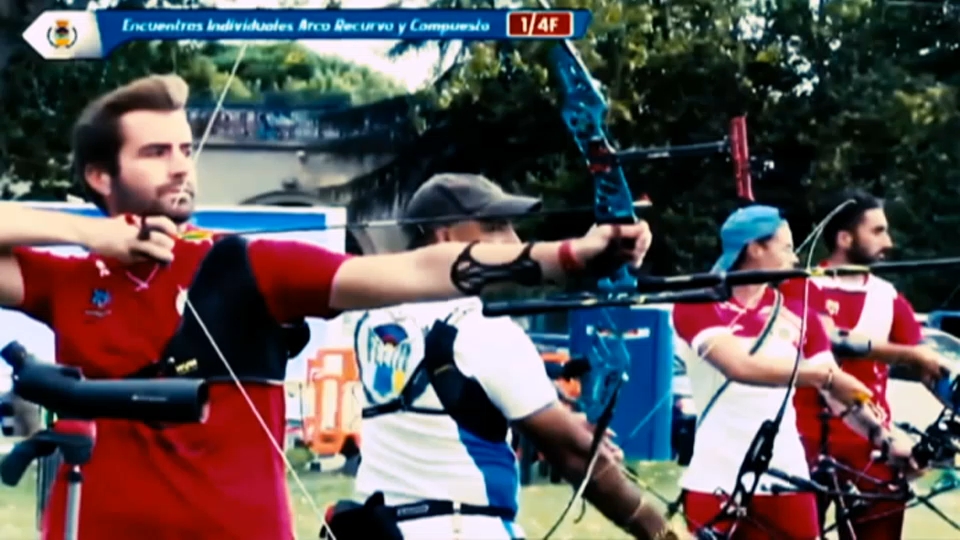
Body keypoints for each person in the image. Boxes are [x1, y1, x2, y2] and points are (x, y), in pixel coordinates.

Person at [0, 75, 653, 540]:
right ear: (99, 176)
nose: (180, 166)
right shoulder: (67, 279)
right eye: (154, 152)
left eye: (183, 148)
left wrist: (570, 255)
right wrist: (94, 234)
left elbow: (414, 270)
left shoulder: (251, 264)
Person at [344, 173, 683, 540]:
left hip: (385, 529)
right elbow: (574, 456)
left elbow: (454, 404)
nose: (514, 242)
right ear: (445, 238)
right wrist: (664, 534)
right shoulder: (483, 330)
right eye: (494, 227)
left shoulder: (373, 320)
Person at [672, 205, 913, 540]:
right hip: (716, 476)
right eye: (786, 248)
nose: (795, 259)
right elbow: (740, 366)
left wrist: (883, 438)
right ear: (755, 248)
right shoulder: (697, 304)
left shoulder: (800, 316)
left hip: (787, 474)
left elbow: (838, 396)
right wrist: (822, 376)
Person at [794, 189, 941, 540]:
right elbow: (827, 338)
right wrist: (909, 354)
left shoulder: (888, 297)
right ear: (844, 238)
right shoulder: (803, 288)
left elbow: (932, 369)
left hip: (873, 446)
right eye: (877, 231)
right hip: (803, 445)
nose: (888, 242)